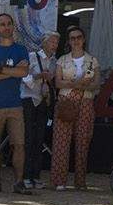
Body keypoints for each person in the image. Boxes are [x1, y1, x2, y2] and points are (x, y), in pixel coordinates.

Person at [0, 13, 32, 194]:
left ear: (13, 27)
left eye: (9, 24)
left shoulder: (21, 50)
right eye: (2, 24)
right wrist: (12, 71)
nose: (6, 27)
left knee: (19, 144)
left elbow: (24, 72)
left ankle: (19, 182)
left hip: (15, 104)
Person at [50, 26, 100, 190]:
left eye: (78, 37)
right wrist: (78, 84)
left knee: (83, 141)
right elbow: (58, 83)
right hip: (66, 101)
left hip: (85, 101)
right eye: (72, 38)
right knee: (61, 141)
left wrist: (75, 85)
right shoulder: (62, 60)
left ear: (83, 39)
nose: (76, 40)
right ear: (69, 41)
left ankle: (80, 181)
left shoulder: (92, 60)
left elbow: (96, 84)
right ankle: (59, 181)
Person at [21, 30, 58, 190]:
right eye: (52, 42)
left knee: (39, 138)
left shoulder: (54, 61)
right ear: (44, 42)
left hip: (43, 100)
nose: (54, 45)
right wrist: (37, 76)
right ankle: (25, 176)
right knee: (28, 138)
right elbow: (23, 76)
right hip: (29, 100)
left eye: (56, 42)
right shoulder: (32, 57)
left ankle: (35, 176)